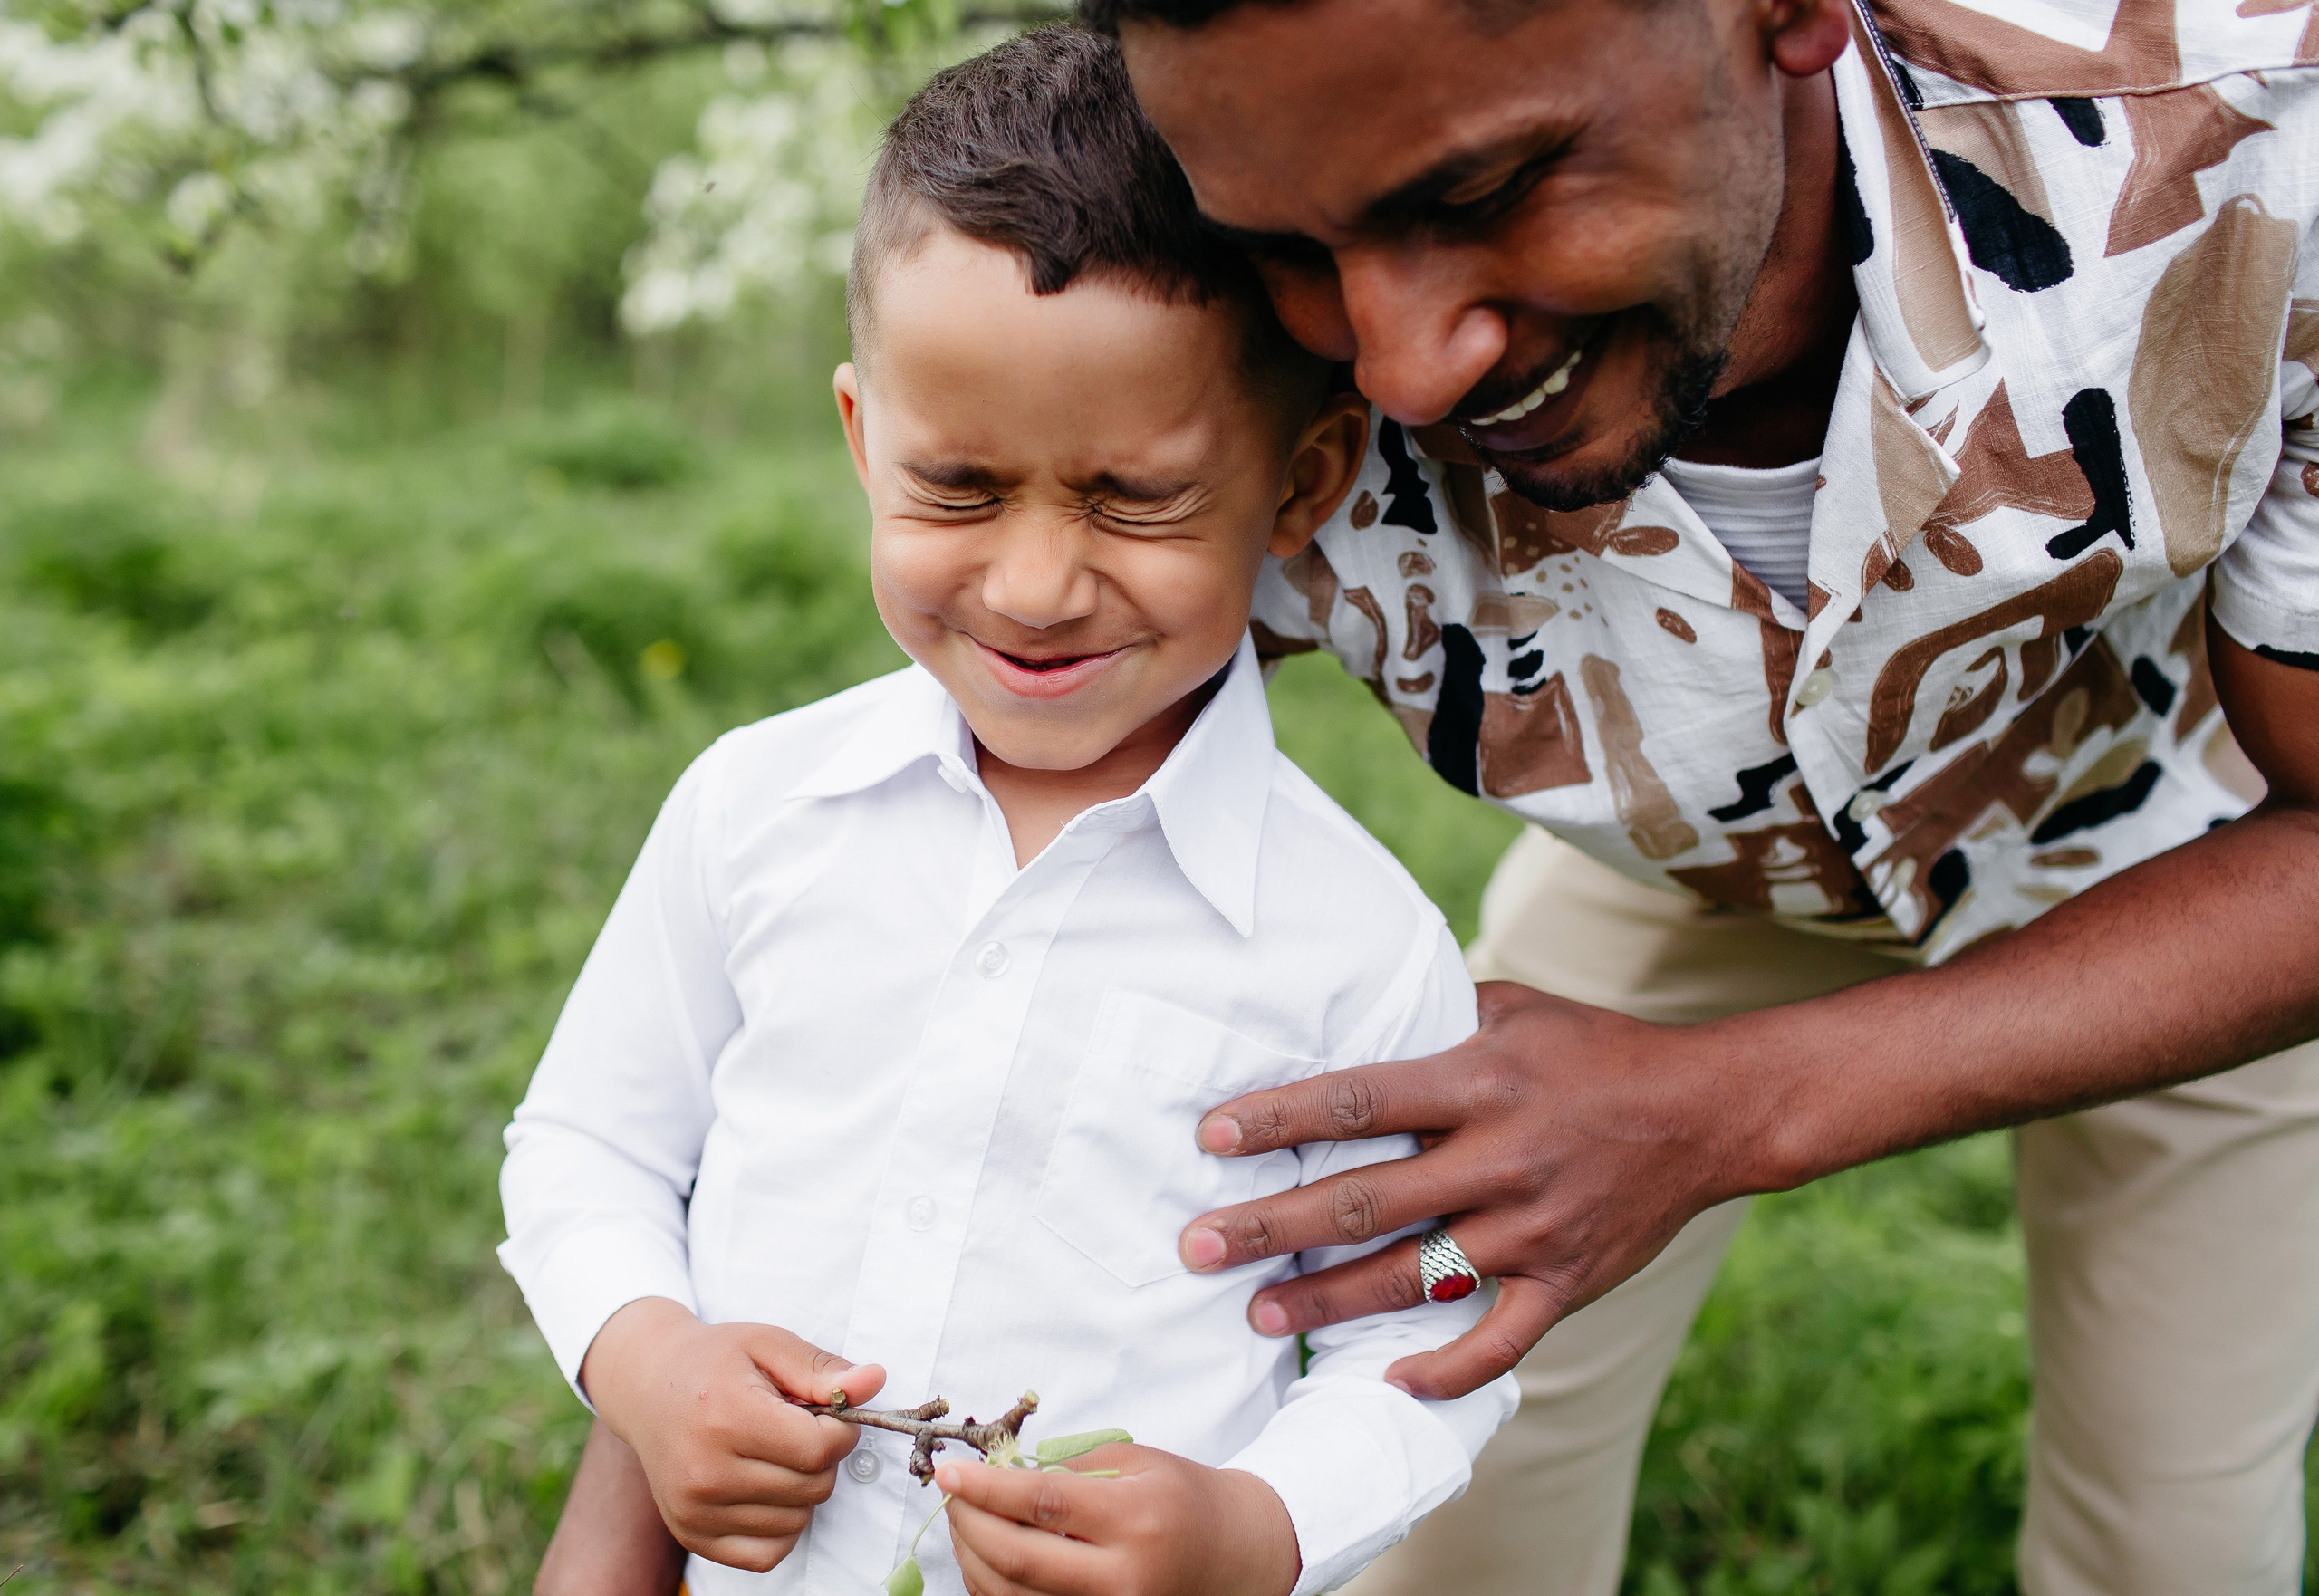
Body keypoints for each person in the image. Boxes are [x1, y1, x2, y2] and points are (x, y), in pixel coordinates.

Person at [1076, 0, 2319, 1590]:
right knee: (1449, 1519)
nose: (1399, 366)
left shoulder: (2253, 142)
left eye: (1480, 194)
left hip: (2172, 852)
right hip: (1675, 884)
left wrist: (1733, 1107)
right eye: (1297, 256)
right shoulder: (1181, 314)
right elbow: (977, 821)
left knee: (2180, 1538)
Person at [497, 25, 1518, 1596]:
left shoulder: (1356, 942)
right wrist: (641, 1356)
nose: (1035, 586)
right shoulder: (754, 812)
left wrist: (1253, 1527)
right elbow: (588, 1144)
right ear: (861, 437)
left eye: (1134, 499)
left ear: (1302, 482)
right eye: (958, 489)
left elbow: (1435, 1301)